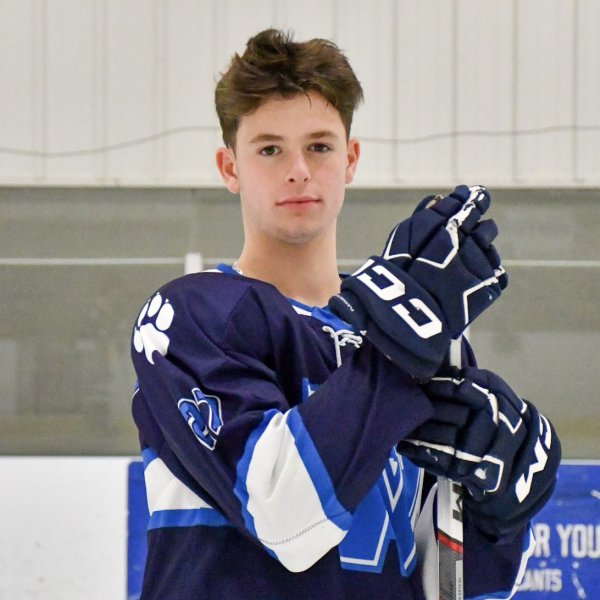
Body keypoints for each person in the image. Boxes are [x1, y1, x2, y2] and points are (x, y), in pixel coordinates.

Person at [130, 28, 560, 599]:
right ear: (229, 167)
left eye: (319, 146)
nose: (298, 169)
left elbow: (447, 585)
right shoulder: (190, 315)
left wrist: (498, 517)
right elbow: (286, 521)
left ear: (350, 159)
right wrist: (400, 340)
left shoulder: (419, 339)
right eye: (269, 149)